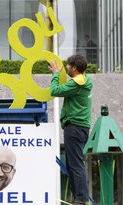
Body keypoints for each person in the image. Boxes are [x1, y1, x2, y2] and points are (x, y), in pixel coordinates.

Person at [48, 54, 92, 205]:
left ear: (74, 68)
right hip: (80, 128)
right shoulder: (85, 79)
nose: (65, 67)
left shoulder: (76, 84)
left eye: (67, 66)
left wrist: (55, 74)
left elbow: (54, 91)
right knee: (73, 163)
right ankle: (78, 197)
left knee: (76, 164)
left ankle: (80, 199)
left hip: (74, 127)